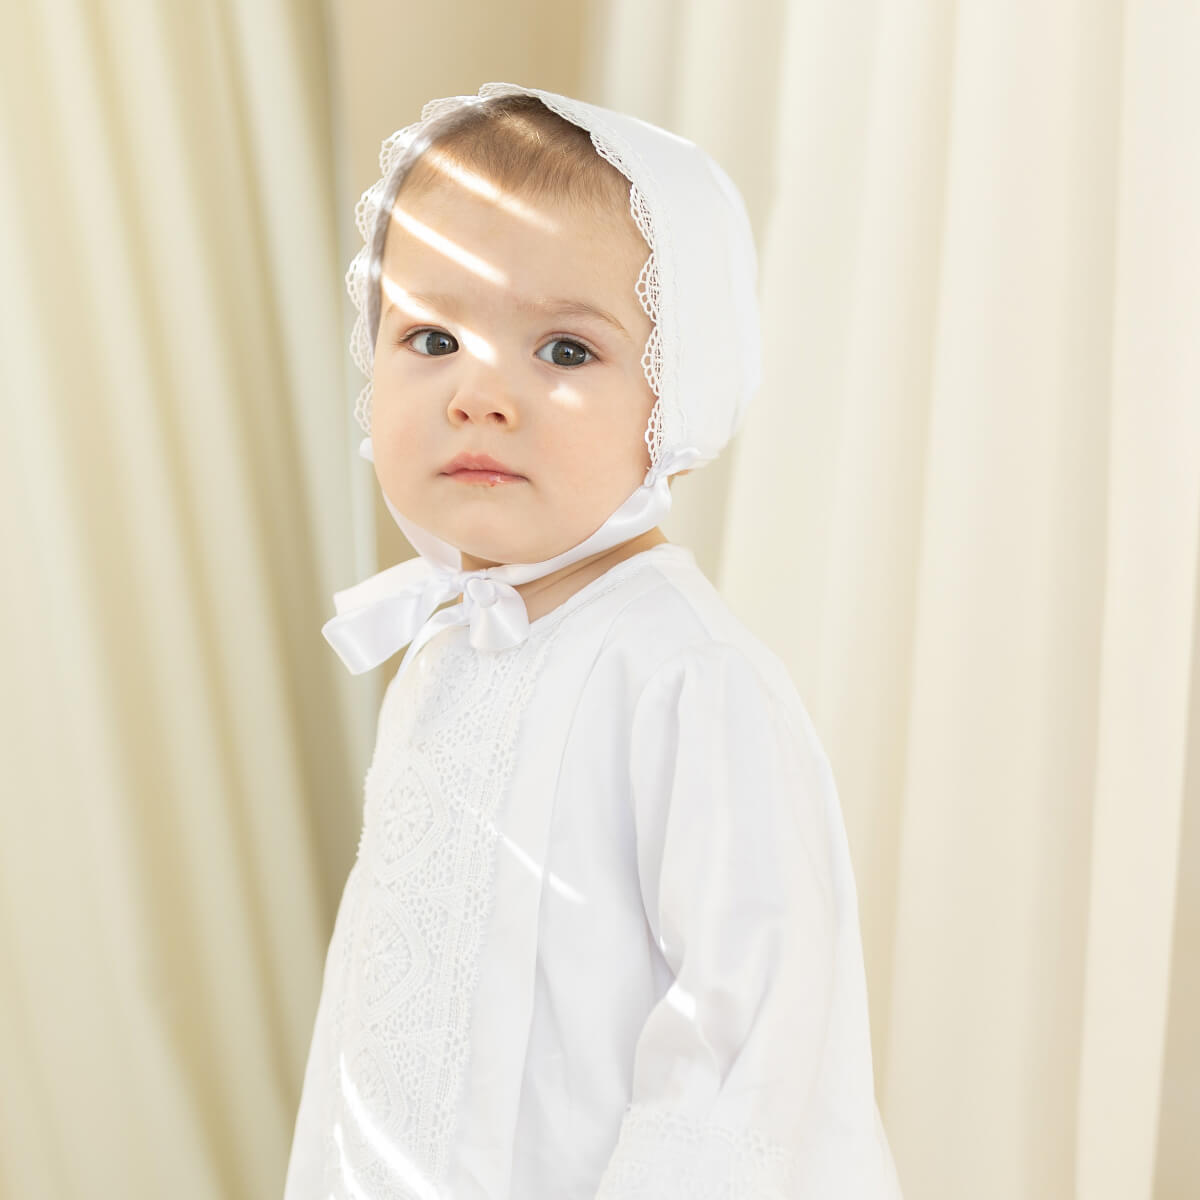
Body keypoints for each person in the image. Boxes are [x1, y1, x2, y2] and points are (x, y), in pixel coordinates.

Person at [283, 82, 904, 1199]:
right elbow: (378, 1011)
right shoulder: (445, 657)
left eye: (565, 351)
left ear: (678, 396)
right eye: (430, 335)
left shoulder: (683, 679)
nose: (480, 392)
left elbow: (753, 1032)